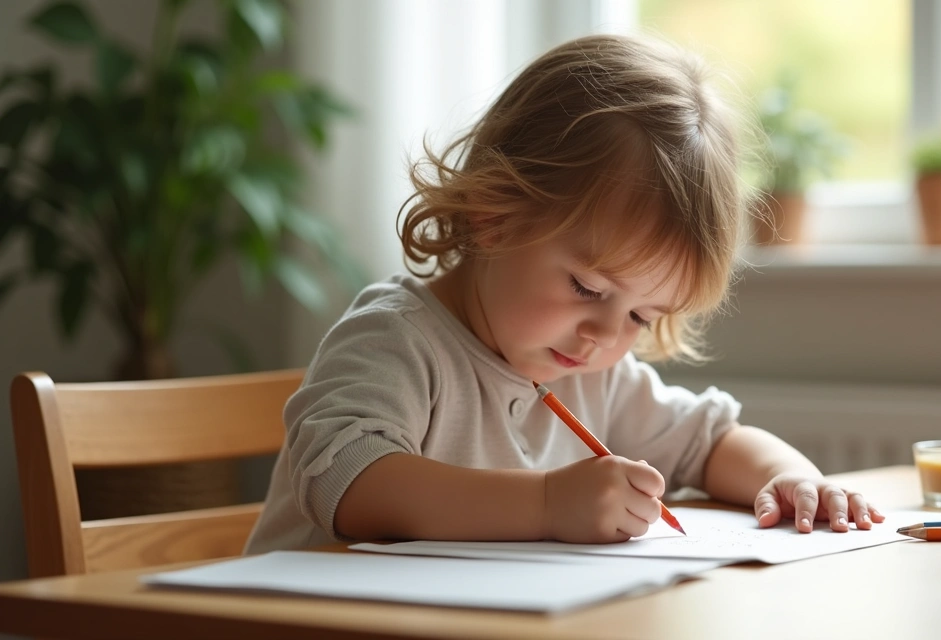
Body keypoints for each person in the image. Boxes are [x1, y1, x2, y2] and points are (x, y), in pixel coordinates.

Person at [245, 33, 883, 554]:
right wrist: (548, 503)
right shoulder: (397, 340)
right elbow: (347, 481)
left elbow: (709, 442)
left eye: (640, 314)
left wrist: (793, 478)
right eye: (588, 287)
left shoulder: (593, 374)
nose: (607, 336)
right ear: (496, 214)